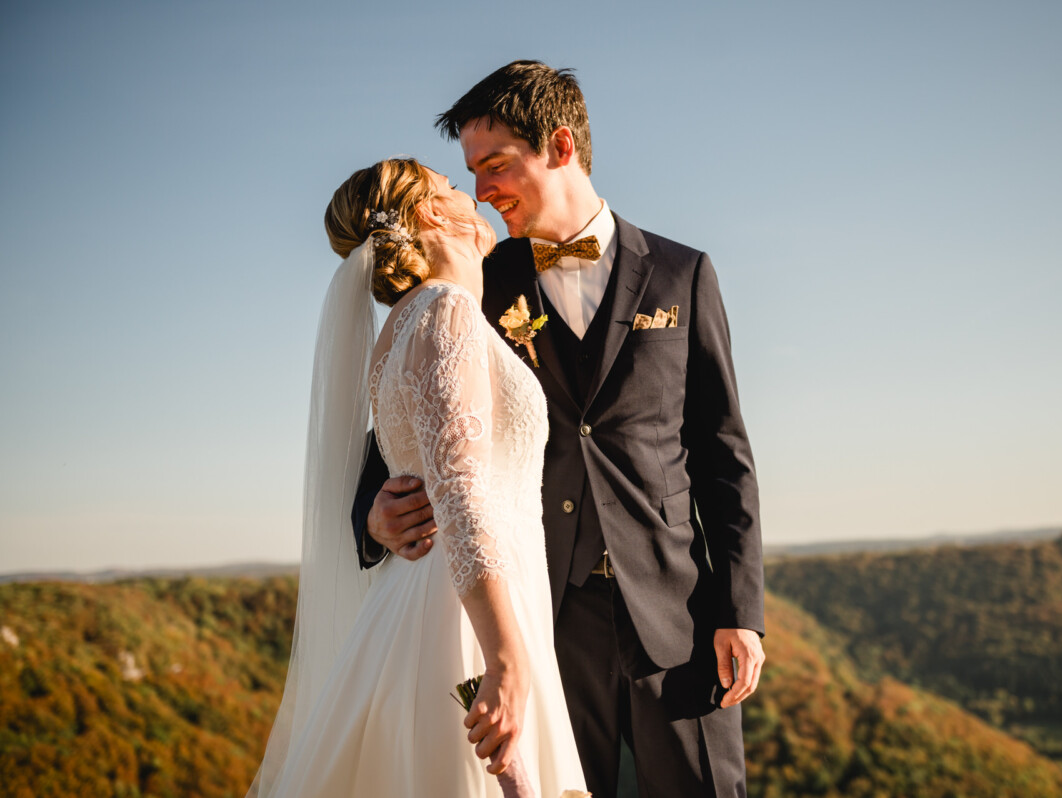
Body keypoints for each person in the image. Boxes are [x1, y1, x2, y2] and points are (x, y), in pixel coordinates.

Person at [353, 62, 765, 797]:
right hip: (540, 617)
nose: (481, 190)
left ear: (562, 145)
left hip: (678, 618)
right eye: (471, 172)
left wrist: (742, 613)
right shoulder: (474, 281)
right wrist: (373, 515)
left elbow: (723, 453)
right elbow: (399, 424)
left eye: (496, 165)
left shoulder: (683, 273)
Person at [250, 158, 586, 797]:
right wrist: (507, 660)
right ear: (434, 213)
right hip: (462, 622)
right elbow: (462, 497)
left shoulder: (406, 325)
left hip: (434, 600)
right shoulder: (447, 311)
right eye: (456, 187)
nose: (474, 196)